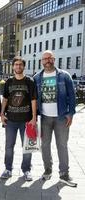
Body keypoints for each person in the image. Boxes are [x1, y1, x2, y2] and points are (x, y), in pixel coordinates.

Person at [33, 50, 77, 187]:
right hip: (45, 117)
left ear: (54, 59)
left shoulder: (65, 76)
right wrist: (33, 117)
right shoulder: (37, 78)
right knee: (45, 145)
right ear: (41, 62)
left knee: (62, 145)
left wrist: (71, 114)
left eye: (49, 58)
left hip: (61, 117)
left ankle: (64, 174)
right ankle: (47, 170)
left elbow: (72, 95)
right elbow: (33, 99)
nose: (47, 61)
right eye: (45, 59)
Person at [0, 56, 37, 181]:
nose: (18, 66)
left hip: (26, 121)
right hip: (10, 120)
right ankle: (8, 169)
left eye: (20, 64)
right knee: (9, 146)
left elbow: (33, 100)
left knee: (26, 146)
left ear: (23, 66)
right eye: (16, 64)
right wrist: (1, 113)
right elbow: (5, 99)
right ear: (13, 66)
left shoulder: (30, 81)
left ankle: (26, 170)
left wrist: (33, 118)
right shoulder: (9, 82)